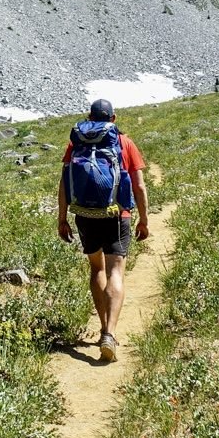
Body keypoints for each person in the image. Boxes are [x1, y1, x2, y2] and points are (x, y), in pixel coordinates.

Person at [56, 98, 149, 362]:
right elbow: (139, 186)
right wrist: (144, 219)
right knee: (116, 270)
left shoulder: (76, 144)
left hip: (85, 214)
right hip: (118, 213)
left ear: (89, 117)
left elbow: (64, 183)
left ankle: (101, 327)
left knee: (96, 268)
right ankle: (110, 333)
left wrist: (62, 218)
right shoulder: (124, 142)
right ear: (113, 118)